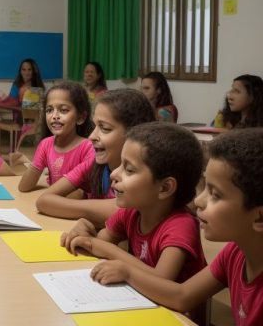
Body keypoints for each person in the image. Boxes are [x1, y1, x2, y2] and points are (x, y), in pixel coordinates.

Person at [86, 128, 263, 326]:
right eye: (205, 187)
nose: (199, 201)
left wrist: (121, 266)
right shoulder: (235, 252)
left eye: (215, 194)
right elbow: (182, 295)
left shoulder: (185, 226)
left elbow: (173, 289)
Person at [62, 122, 207, 321]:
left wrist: (122, 266)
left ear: (164, 188)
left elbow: (161, 279)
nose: (114, 173)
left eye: (129, 170)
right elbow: (101, 242)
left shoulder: (181, 225)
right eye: (121, 165)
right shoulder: (132, 212)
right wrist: (85, 234)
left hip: (175, 318)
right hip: (141, 306)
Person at [36, 89, 154, 225]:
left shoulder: (143, 177)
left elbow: (127, 212)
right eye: (95, 126)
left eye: (105, 128)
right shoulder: (93, 164)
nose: (91, 136)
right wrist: (92, 217)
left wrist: (87, 215)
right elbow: (44, 201)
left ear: (134, 133)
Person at [17, 82, 95, 194]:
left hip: (79, 208)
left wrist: (50, 198)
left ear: (80, 117)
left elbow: (79, 195)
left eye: (63, 110)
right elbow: (24, 187)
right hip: (53, 202)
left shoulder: (88, 148)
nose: (54, 116)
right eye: (49, 110)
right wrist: (34, 166)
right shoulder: (46, 144)